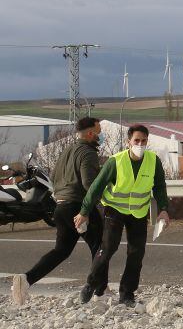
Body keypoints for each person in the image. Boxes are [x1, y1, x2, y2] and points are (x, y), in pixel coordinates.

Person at [9, 117, 104, 306]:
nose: (100, 137)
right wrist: (101, 199)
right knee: (100, 247)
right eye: (99, 132)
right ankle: (99, 291)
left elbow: (53, 177)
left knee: (61, 251)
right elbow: (89, 184)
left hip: (60, 208)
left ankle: (26, 279)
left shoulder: (67, 151)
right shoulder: (88, 153)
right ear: (90, 133)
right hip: (79, 207)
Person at [74, 124, 169, 306]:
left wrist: (163, 209)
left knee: (136, 253)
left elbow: (159, 186)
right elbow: (96, 187)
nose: (140, 144)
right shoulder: (115, 161)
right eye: (136, 141)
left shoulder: (153, 161)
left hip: (138, 212)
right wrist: (84, 212)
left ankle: (127, 294)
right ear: (128, 142)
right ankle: (90, 283)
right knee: (108, 248)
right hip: (114, 210)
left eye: (143, 141)